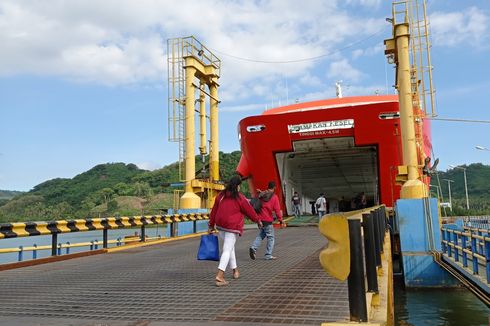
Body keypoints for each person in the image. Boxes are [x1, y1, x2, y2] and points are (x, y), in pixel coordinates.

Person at [208, 175, 262, 287]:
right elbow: (249, 210)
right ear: (237, 186)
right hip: (232, 227)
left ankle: (235, 270)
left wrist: (211, 225)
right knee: (227, 250)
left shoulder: (221, 195)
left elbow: (214, 211)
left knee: (229, 247)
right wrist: (257, 220)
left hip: (221, 226)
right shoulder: (239, 197)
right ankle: (220, 275)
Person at [249, 181, 285, 260]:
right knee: (271, 237)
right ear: (274, 188)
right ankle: (268, 255)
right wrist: (281, 220)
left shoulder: (262, 194)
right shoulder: (274, 197)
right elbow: (277, 210)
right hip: (267, 220)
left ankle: (253, 247)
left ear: (267, 186)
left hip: (260, 219)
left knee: (262, 234)